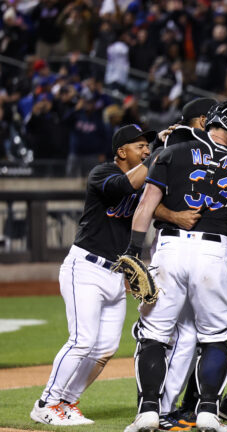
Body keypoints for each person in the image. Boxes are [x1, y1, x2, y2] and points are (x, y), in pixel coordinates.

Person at [123, 101, 227, 432]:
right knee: (214, 337)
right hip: (213, 252)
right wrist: (217, 222)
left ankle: (149, 411)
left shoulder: (172, 152)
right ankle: (209, 412)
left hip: (169, 249)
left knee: (154, 334)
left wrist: (132, 253)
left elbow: (145, 207)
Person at [30, 125, 154, 426]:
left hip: (114, 274)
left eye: (148, 146)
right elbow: (122, 187)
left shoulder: (145, 180)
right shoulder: (102, 173)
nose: (147, 150)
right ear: (122, 152)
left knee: (105, 348)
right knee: (82, 341)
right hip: (84, 268)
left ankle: (68, 401)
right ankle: (46, 403)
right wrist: (160, 155)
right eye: (140, 146)